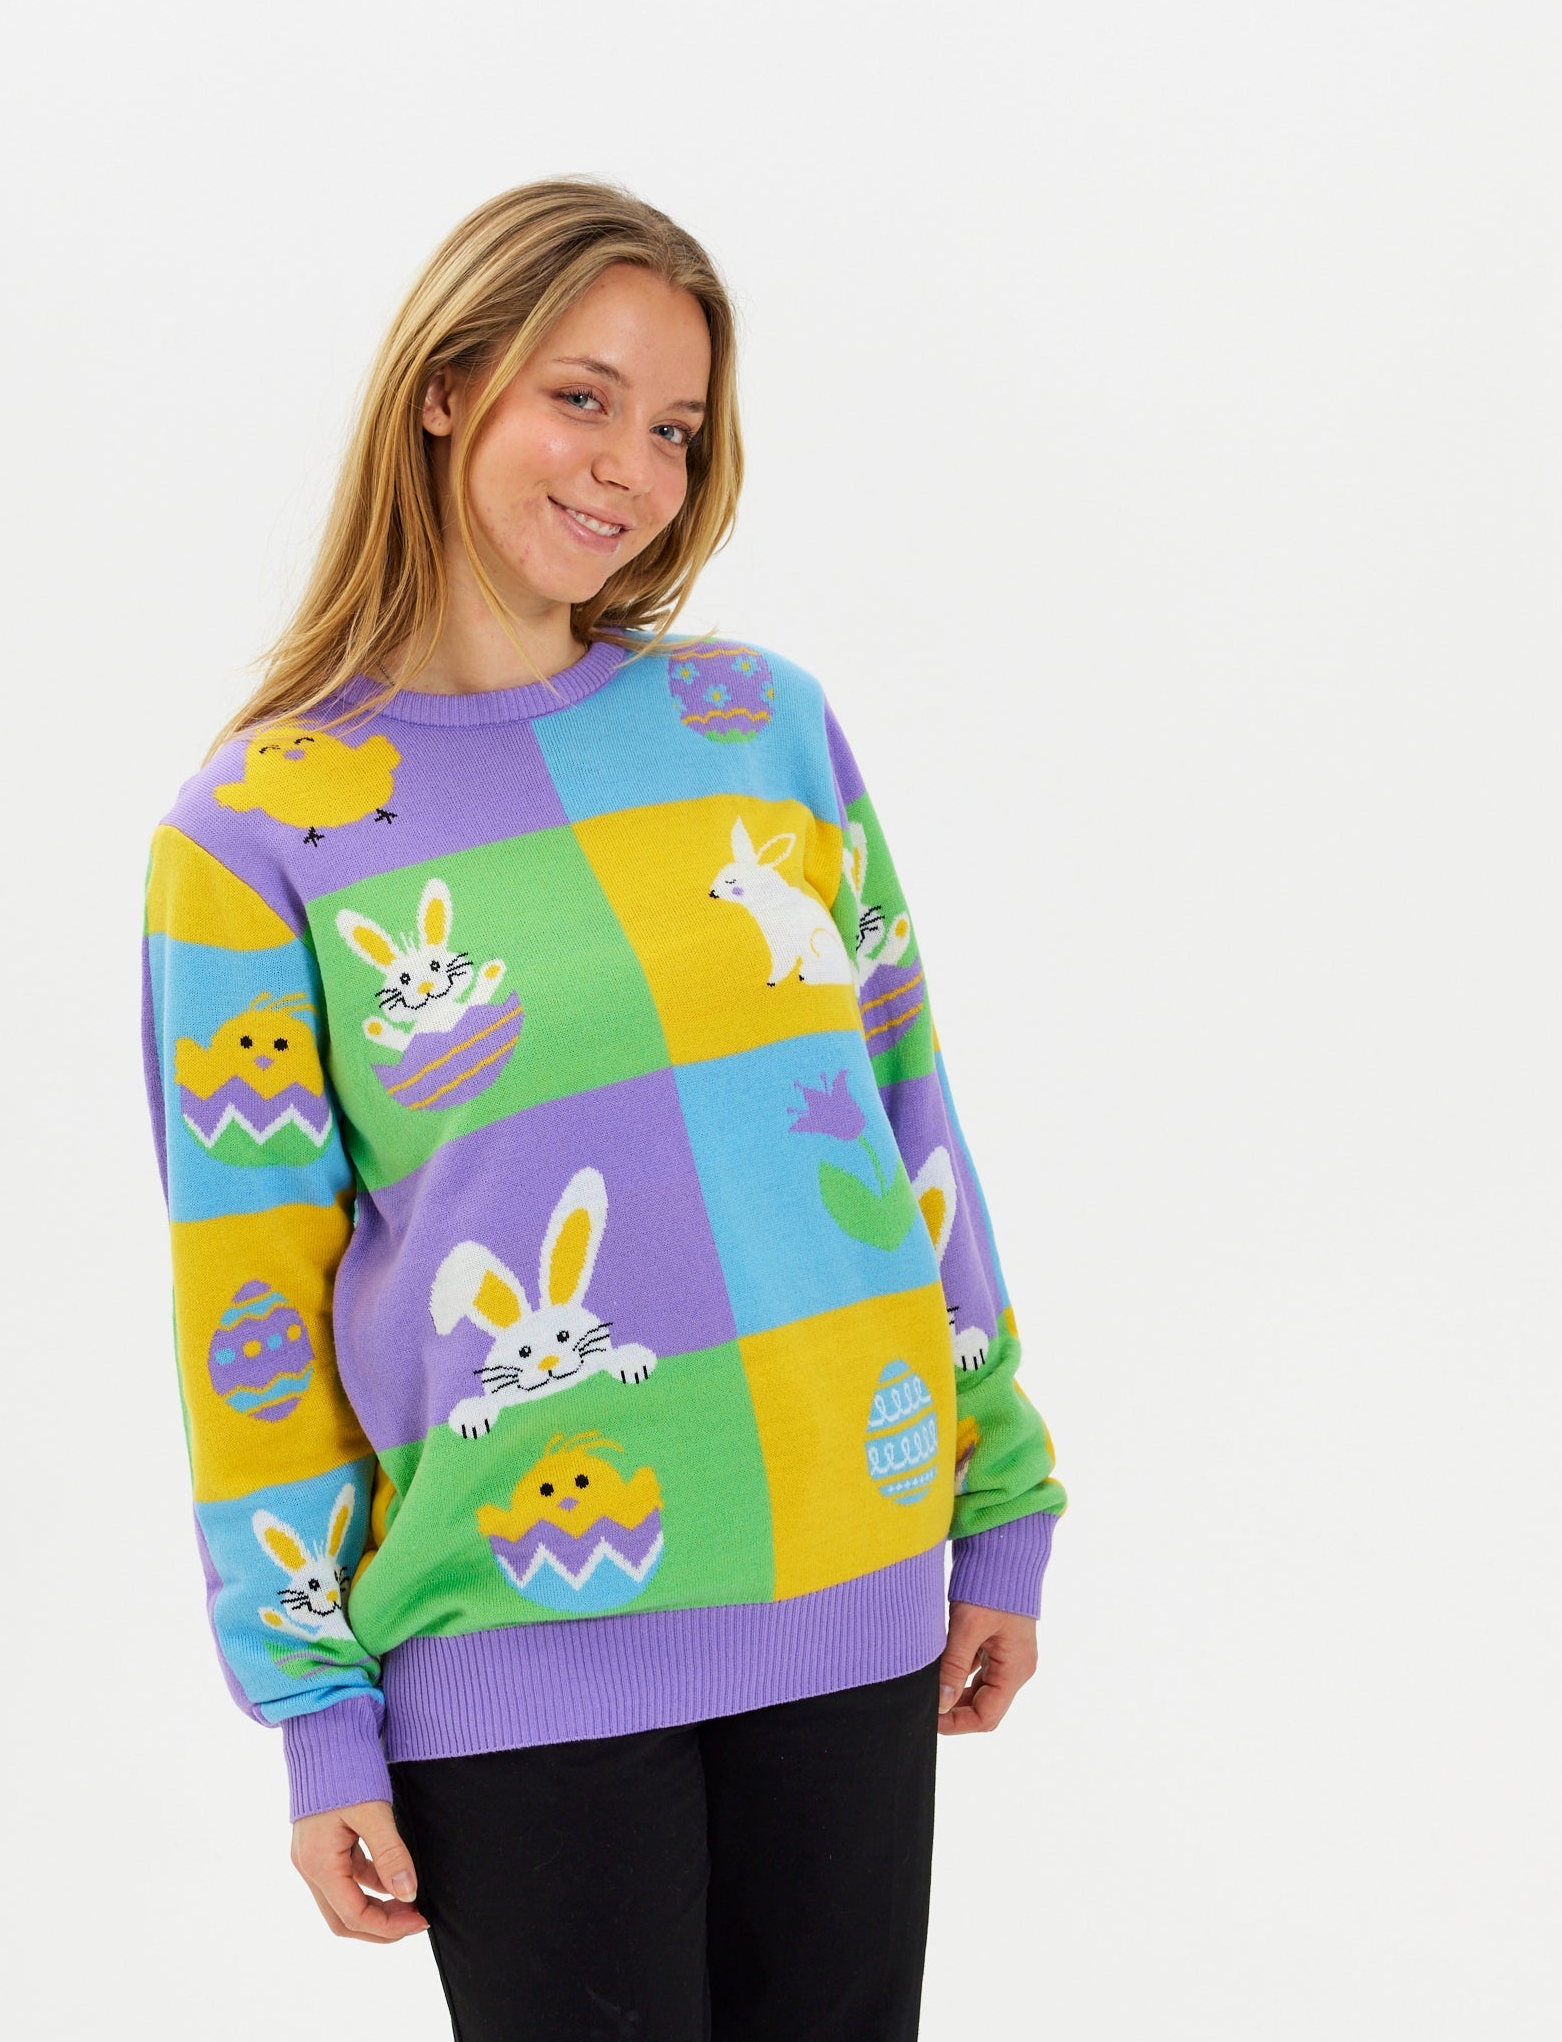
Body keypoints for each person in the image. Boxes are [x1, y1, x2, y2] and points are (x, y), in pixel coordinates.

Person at [137, 176, 1065, 2042]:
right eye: (583, 398)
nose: (631, 468)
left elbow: (904, 1123)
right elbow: (253, 1313)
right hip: (516, 1646)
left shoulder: (760, 729)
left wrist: (1001, 1498)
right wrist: (315, 1714)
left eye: (676, 429)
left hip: (850, 1572)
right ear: (445, 388)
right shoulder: (258, 831)